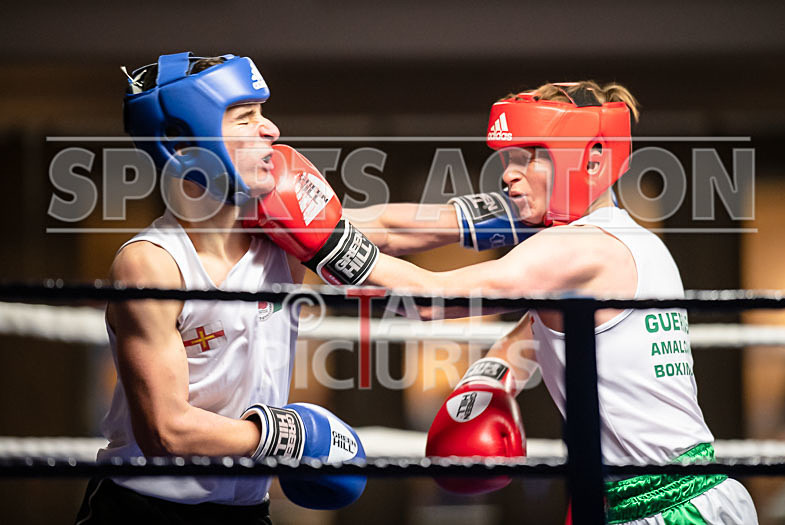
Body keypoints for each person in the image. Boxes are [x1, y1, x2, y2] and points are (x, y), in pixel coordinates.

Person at [250, 81, 758, 524]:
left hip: (668, 508)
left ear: (593, 157)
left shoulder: (580, 249)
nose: (508, 175)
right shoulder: (619, 237)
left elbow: (430, 300)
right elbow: (406, 230)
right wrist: (491, 378)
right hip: (639, 498)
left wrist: (323, 243)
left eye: (528, 157)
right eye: (507, 158)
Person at [74, 52, 366, 525]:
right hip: (142, 512)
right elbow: (166, 431)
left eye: (264, 113)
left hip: (247, 512)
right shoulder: (152, 262)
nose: (271, 130)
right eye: (247, 118)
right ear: (187, 141)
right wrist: (289, 437)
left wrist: (494, 220)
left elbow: (389, 228)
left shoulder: (283, 242)